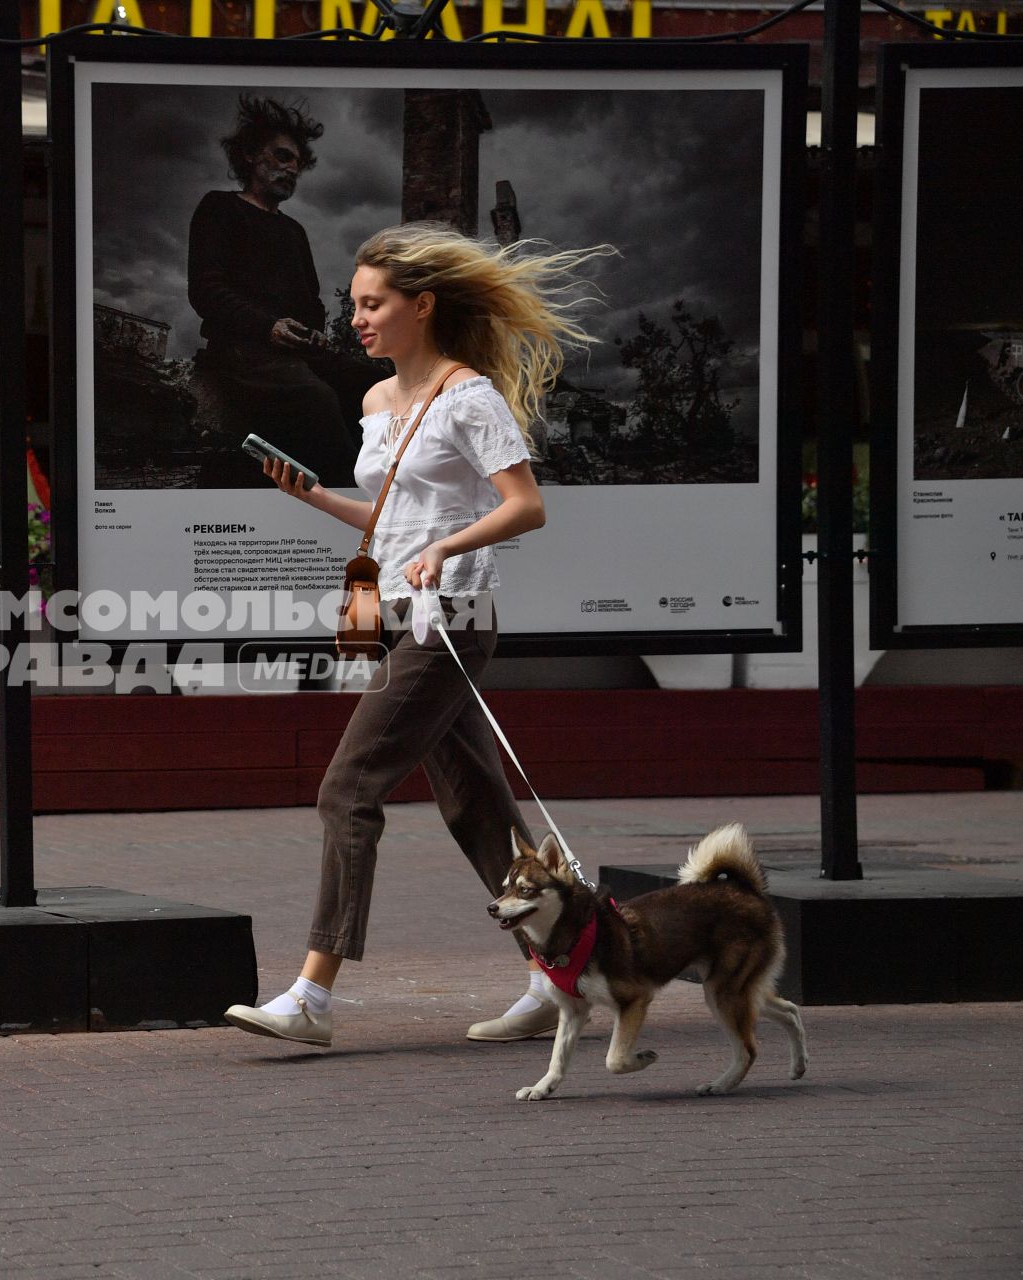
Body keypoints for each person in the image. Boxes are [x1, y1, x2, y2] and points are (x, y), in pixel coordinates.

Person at [224, 221, 615, 1048]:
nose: (357, 319)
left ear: (422, 305)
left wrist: (450, 544)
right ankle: (563, 970)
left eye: (374, 304)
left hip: (454, 621)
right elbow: (396, 516)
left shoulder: (470, 399)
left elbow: (524, 505)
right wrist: (317, 498)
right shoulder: (376, 402)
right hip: (403, 614)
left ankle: (312, 998)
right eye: (355, 305)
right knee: (476, 806)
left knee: (347, 788)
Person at [187, 95, 368, 488]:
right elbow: (206, 290)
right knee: (316, 400)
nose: (290, 170)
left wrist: (315, 332)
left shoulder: (294, 231)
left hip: (296, 351)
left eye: (297, 165)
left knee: (371, 384)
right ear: (251, 155)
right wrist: (267, 326)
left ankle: (388, 494)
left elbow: (311, 300)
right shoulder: (219, 208)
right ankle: (346, 504)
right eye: (282, 157)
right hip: (243, 349)